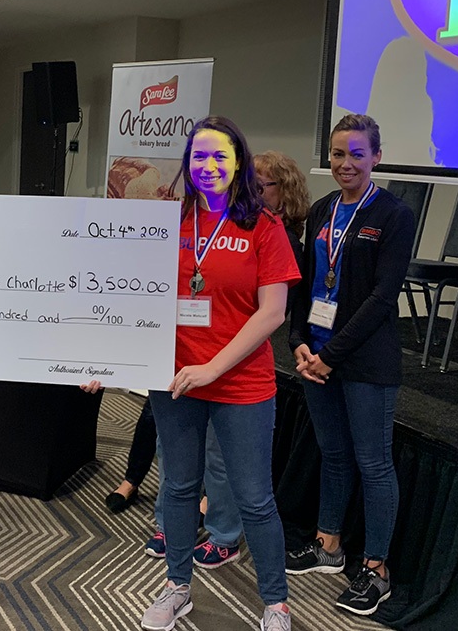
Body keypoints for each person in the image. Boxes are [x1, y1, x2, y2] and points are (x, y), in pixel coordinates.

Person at [86, 115, 300, 631]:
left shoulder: (264, 227)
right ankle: (177, 587)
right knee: (179, 488)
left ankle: (276, 604)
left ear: (238, 163)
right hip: (175, 380)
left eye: (220, 155)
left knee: (254, 497)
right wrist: (103, 358)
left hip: (241, 383)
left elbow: (272, 313)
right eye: (199, 156)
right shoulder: (168, 221)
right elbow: (131, 295)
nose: (208, 165)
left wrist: (212, 368)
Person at [286, 113, 415, 616]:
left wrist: (329, 356)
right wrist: (298, 339)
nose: (346, 163)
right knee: (333, 454)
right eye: (338, 154)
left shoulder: (394, 215)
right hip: (315, 354)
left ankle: (377, 570)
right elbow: (305, 281)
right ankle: (328, 545)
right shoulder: (322, 210)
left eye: (357, 154)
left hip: (364, 361)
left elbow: (383, 298)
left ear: (376, 157)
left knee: (374, 463)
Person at [182, 150, 314, 572]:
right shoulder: (196, 222)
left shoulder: (273, 233)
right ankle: (184, 525)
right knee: (185, 461)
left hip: (236, 368)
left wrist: (216, 362)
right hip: (187, 356)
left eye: (261, 186)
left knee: (228, 464)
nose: (250, 191)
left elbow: (273, 312)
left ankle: (225, 536)